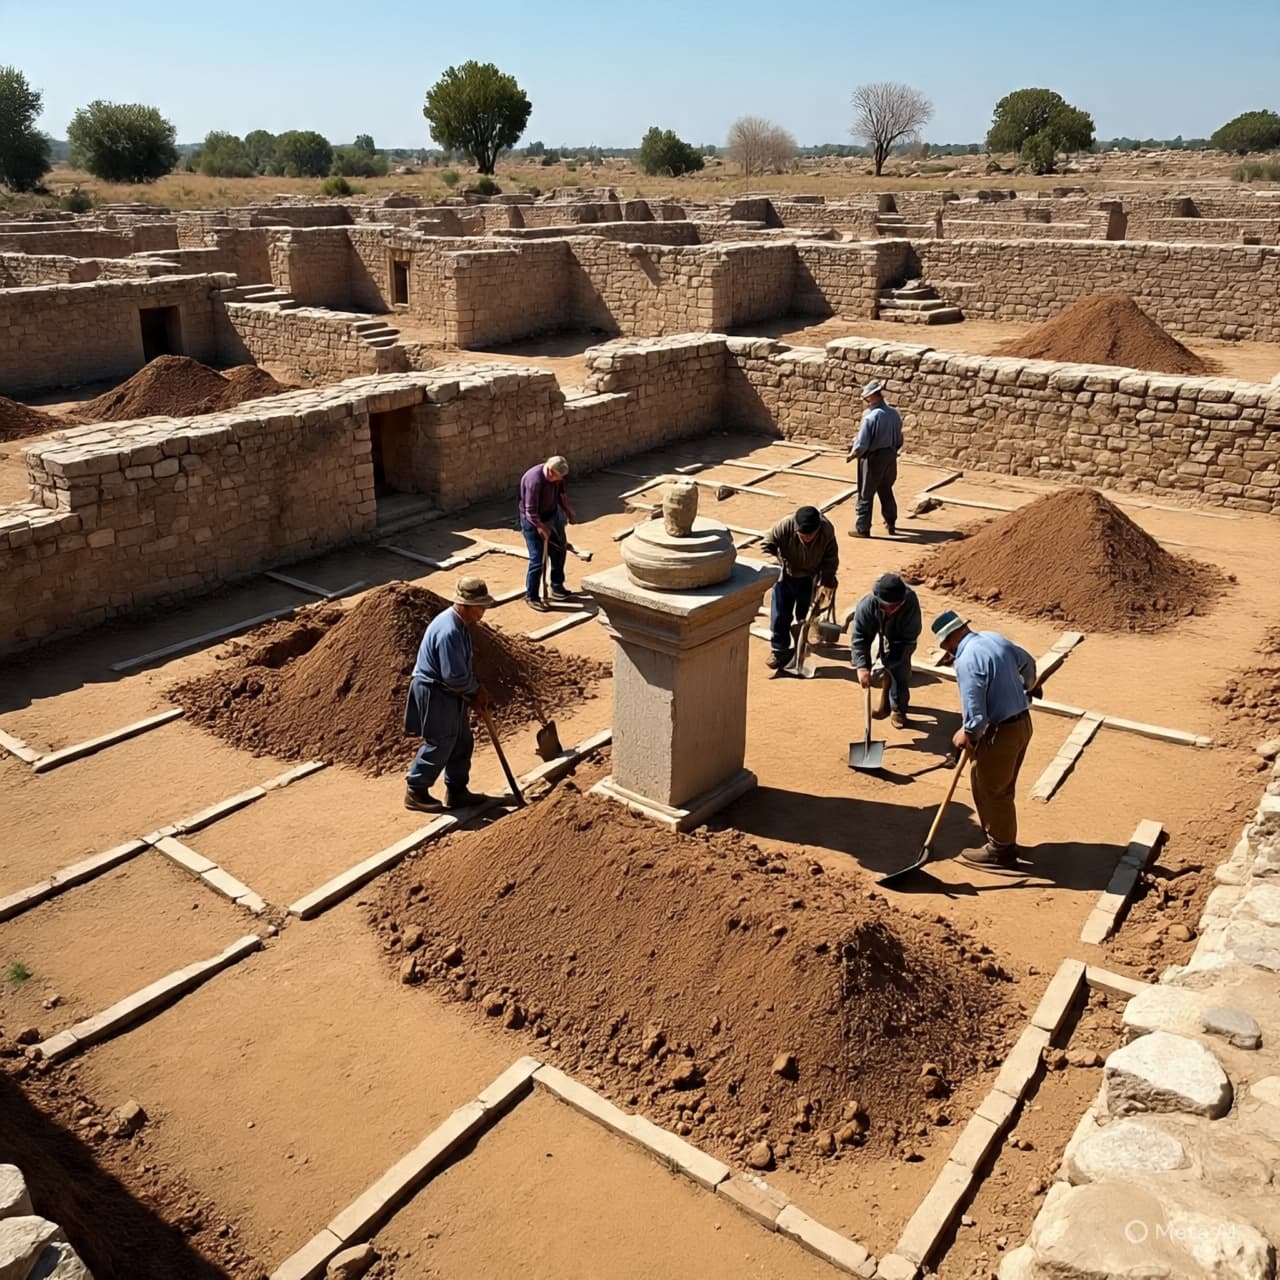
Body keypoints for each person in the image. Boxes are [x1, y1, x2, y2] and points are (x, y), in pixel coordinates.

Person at [931, 610, 1038, 868]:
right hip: (1022, 723)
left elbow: (976, 717)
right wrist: (1029, 687)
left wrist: (966, 734)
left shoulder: (967, 662)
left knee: (992, 789)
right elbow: (1028, 663)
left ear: (947, 642)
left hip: (1000, 733)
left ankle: (1001, 849)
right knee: (996, 784)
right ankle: (999, 833)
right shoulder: (993, 638)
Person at [403, 576, 497, 813]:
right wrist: (474, 690)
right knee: (441, 742)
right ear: (466, 604)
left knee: (462, 740)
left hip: (450, 692)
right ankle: (416, 789)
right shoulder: (449, 631)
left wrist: (473, 690)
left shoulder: (460, 624)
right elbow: (452, 676)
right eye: (481, 606)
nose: (483, 611)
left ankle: (457, 791)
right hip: (435, 691)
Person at [760, 505, 838, 671]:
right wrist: (775, 566)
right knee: (780, 614)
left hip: (809, 578)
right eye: (803, 534)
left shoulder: (826, 530)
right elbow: (767, 544)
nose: (807, 538)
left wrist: (827, 580)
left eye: (811, 534)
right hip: (786, 575)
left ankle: (802, 649)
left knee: (805, 617)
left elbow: (831, 557)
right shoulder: (785, 525)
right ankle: (779, 651)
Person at [850, 572, 922, 728]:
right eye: (885, 606)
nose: (889, 610)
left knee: (899, 671)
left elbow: (909, 638)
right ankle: (885, 704)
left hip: (902, 638)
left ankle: (898, 709)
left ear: (901, 602)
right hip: (880, 628)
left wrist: (890, 661)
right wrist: (862, 667)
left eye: (894, 607)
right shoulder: (868, 605)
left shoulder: (910, 603)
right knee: (878, 669)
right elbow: (860, 637)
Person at [519, 455, 578, 610]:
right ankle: (532, 596)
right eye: (558, 477)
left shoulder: (558, 478)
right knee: (537, 560)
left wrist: (568, 512)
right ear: (551, 472)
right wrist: (540, 527)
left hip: (551, 515)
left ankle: (557, 585)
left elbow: (561, 495)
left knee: (559, 548)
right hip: (532, 521)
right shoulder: (534, 480)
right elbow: (530, 511)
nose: (560, 480)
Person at [847, 380, 903, 538]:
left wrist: (853, 454)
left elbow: (862, 443)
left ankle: (863, 528)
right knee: (885, 489)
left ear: (872, 397)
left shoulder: (871, 417)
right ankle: (891, 522)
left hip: (873, 457)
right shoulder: (893, 413)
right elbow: (899, 439)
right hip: (890, 455)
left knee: (866, 493)